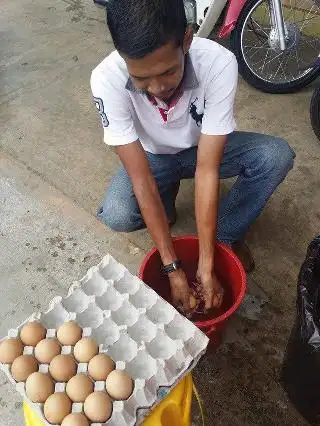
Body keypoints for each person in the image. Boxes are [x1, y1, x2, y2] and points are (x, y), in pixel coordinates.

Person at [90, 0, 295, 314]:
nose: (157, 88)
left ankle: (223, 236)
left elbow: (207, 169)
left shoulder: (218, 62)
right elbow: (141, 179)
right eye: (141, 80)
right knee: (118, 214)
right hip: (153, 158)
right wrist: (172, 268)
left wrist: (206, 263)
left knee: (274, 156)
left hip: (203, 149)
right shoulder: (106, 78)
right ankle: (167, 197)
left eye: (168, 71)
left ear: (186, 40)